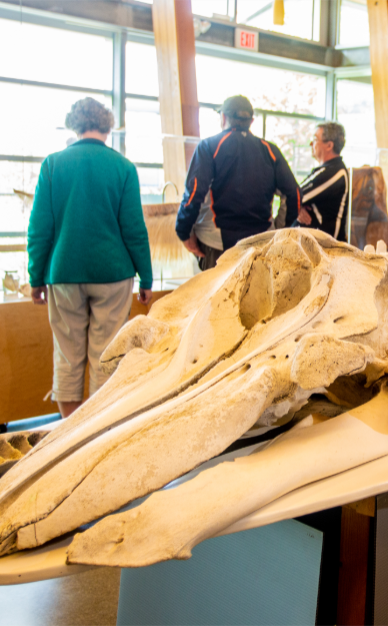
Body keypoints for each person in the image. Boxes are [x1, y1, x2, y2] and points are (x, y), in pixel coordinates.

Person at [27, 98, 153, 419]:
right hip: (113, 274)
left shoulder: (53, 165)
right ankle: (96, 432)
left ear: (75, 124)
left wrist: (36, 278)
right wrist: (147, 278)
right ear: (108, 126)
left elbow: (39, 229)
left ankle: (70, 433)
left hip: (63, 273)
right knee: (105, 356)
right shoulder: (123, 168)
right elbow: (134, 229)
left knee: (68, 356)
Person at [176, 95, 301, 270]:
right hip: (261, 245)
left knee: (217, 297)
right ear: (251, 121)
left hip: (217, 244)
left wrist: (184, 231)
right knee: (257, 297)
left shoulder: (208, 147)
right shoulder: (270, 150)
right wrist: (278, 230)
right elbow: (293, 194)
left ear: (224, 118)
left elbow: (194, 193)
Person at [295, 122, 350, 242]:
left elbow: (294, 195)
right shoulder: (326, 170)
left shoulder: (334, 172)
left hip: (326, 250)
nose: (311, 143)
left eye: (315, 139)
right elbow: (296, 196)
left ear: (329, 145)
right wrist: (298, 207)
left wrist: (297, 205)